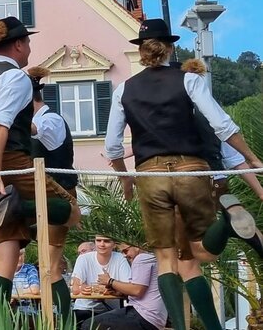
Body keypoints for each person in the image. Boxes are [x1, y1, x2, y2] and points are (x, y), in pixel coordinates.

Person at [105, 19, 263, 330]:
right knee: (201, 252)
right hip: (191, 169)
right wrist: (253, 158)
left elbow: (112, 147)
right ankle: (227, 222)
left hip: (150, 176)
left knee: (166, 260)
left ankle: (179, 326)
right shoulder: (189, 80)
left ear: (140, 52)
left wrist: (126, 181)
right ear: (171, 48)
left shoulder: (124, 89)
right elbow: (222, 125)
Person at [0, 17, 79, 309]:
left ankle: (0, 323)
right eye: (29, 42)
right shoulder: (17, 77)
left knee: (5, 256)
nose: (30, 48)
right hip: (8, 163)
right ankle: (20, 206)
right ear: (19, 45)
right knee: (70, 211)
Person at [174, 58, 263, 330]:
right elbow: (235, 161)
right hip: (219, 183)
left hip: (186, 183)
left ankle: (225, 224)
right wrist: (260, 192)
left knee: (189, 262)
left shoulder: (168, 118)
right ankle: (234, 220)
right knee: (255, 235)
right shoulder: (210, 115)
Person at [28, 65, 78, 317]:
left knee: (51, 267)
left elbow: (36, 133)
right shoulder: (37, 120)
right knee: (43, 266)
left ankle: (65, 321)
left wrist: (10, 115)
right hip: (38, 199)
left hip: (59, 195)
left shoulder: (51, 120)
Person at [81, 242, 166, 330]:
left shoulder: (141, 258)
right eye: (122, 252)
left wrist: (110, 281)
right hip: (155, 317)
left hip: (144, 316)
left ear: (137, 246)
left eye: (126, 251)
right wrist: (118, 291)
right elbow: (142, 289)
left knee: (88, 325)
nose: (124, 255)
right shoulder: (152, 257)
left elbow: (137, 290)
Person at [71, 235, 131, 325]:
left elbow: (128, 287)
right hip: (85, 308)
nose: (102, 244)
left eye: (106, 241)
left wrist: (108, 285)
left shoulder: (120, 258)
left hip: (112, 310)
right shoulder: (83, 258)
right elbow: (75, 287)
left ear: (114, 244)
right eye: (98, 240)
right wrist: (108, 289)